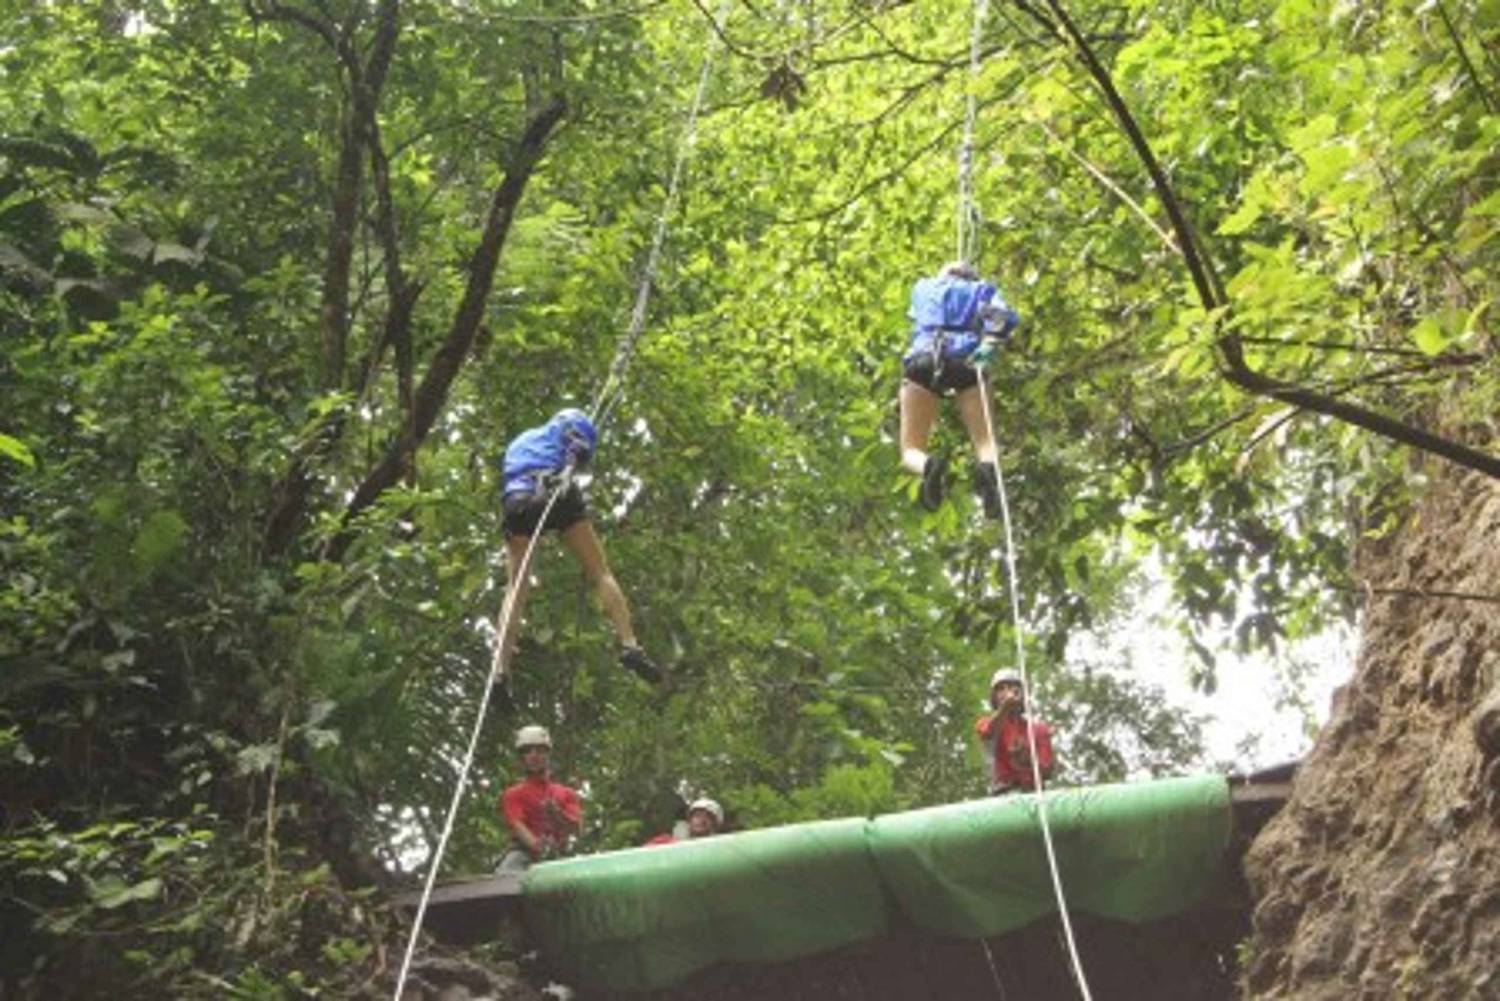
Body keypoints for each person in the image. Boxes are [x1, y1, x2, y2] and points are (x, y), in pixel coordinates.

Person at [498, 407, 660, 683]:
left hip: (518, 503)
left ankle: (500, 668)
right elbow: (580, 448)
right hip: (555, 493)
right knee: (600, 572)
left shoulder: (522, 440)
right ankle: (629, 644)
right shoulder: (573, 424)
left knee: (516, 588)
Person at [900, 261, 1019, 518]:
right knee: (985, 441)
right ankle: (988, 472)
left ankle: (927, 465)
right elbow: (1002, 317)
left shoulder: (922, 287)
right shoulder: (981, 290)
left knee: (910, 448)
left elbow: (916, 316)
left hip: (924, 358)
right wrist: (988, 343)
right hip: (967, 361)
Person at [496, 725, 582, 873]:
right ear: (521, 758)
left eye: (539, 750)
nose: (534, 755)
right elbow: (518, 827)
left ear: (547, 754)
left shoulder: (567, 793)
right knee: (504, 878)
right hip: (523, 856)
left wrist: (556, 814)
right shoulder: (513, 794)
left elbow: (576, 828)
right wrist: (537, 845)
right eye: (528, 751)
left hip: (559, 856)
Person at [976, 668, 1054, 796]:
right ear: (994, 697)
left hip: (1034, 794)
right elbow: (989, 731)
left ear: (1022, 693)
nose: (1007, 692)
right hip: (1001, 794)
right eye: (1001, 688)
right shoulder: (985, 723)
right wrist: (1005, 707)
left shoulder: (1039, 730)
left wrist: (1026, 760)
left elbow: (1047, 770)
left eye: (1012, 687)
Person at [644, 797, 724, 846]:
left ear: (714, 826)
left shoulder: (719, 848)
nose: (702, 820)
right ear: (689, 821)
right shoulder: (665, 841)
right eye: (697, 816)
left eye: (708, 817)